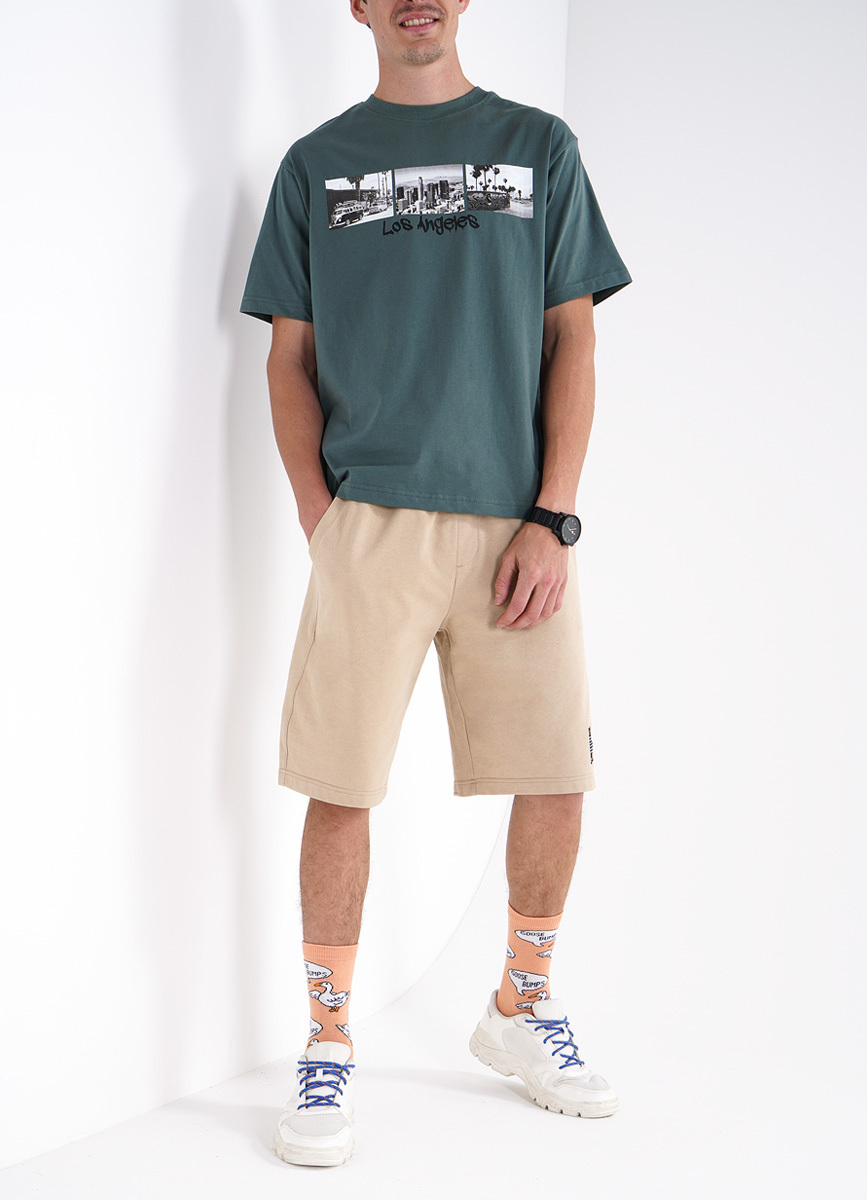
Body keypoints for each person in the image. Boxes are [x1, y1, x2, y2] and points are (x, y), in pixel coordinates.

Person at [240, 0, 632, 1169]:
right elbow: (288, 357)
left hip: (517, 524)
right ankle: (327, 1039)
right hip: (370, 526)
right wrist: (323, 517)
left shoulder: (538, 146)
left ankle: (520, 1006)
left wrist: (554, 515)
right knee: (341, 781)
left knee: (557, 771)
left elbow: (575, 338)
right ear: (358, 6)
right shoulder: (316, 166)